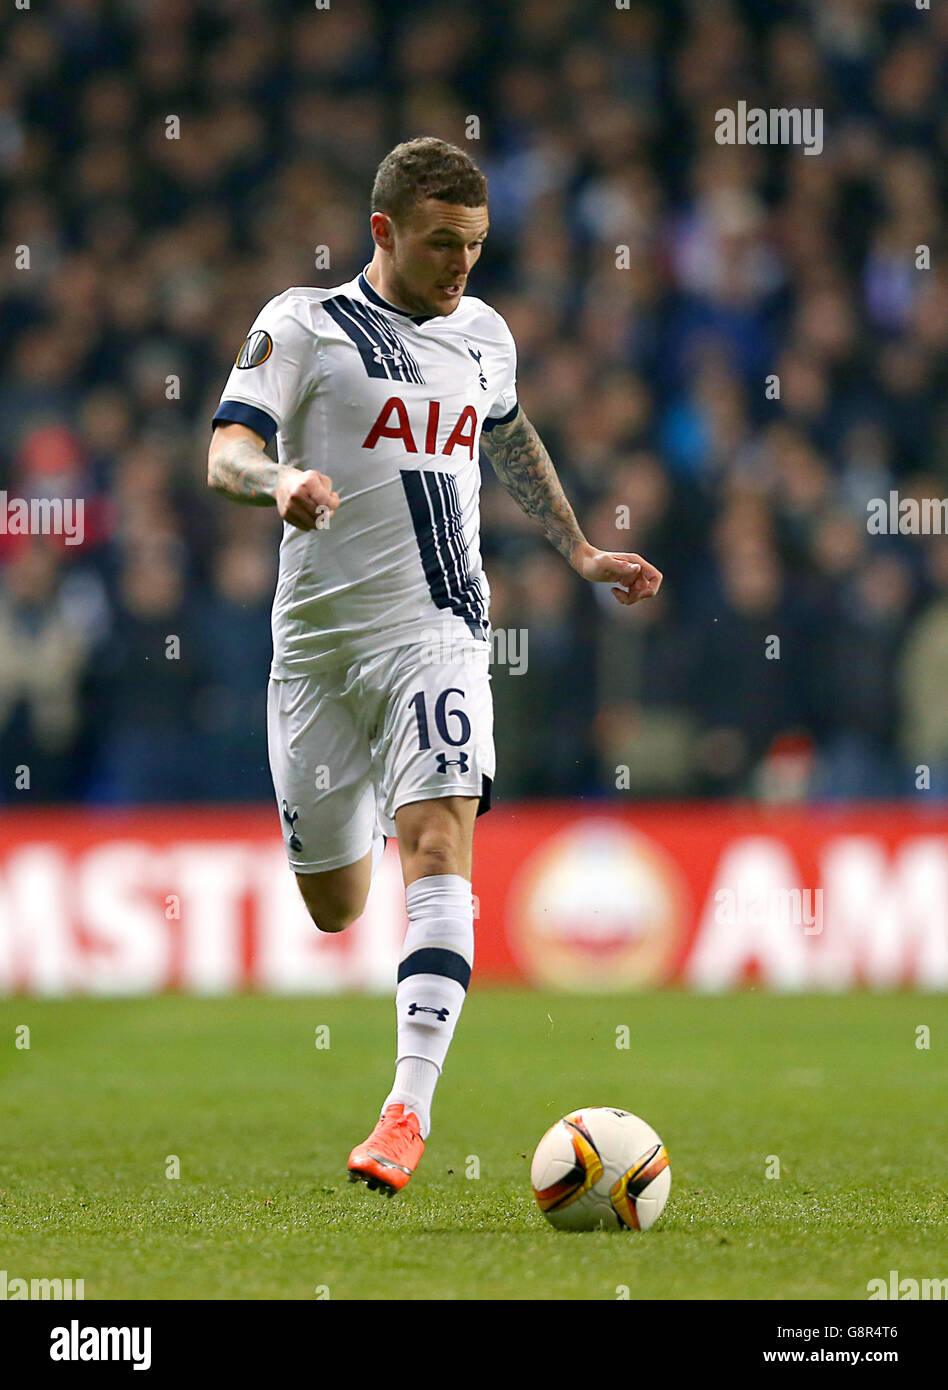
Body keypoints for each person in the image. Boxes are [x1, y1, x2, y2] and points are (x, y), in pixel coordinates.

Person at [207, 137, 662, 1194]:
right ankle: (367, 815)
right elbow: (223, 451)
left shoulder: (487, 335)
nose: (463, 265)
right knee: (333, 904)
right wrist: (274, 482)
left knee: (438, 846)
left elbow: (507, 436)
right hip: (317, 651)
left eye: (478, 246)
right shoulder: (303, 325)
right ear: (383, 232)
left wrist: (580, 546)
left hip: (440, 631)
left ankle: (405, 1111)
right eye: (443, 244)